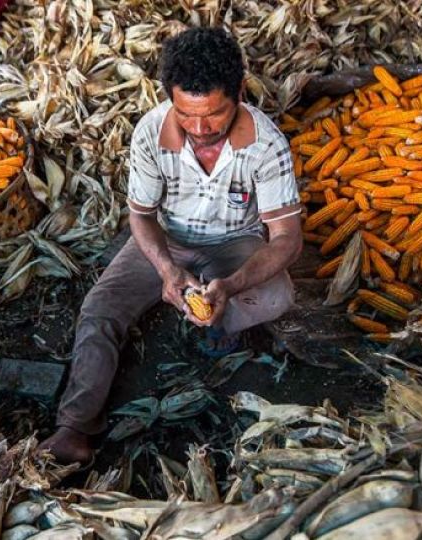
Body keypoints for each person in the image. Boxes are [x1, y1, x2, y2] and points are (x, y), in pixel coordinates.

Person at [39, 27, 303, 465]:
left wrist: (232, 283)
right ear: (170, 99)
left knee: (277, 295)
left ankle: (220, 322)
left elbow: (287, 238)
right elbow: (141, 216)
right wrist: (165, 268)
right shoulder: (149, 133)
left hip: (236, 240)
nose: (200, 129)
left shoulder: (266, 143)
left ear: (239, 91)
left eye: (215, 114)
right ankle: (74, 427)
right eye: (186, 115)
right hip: (170, 237)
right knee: (99, 309)